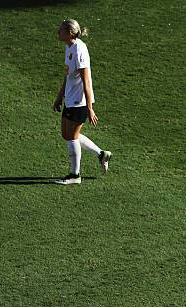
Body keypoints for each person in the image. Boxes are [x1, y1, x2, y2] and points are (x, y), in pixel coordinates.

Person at [53, 19, 112, 185]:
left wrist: (90, 108)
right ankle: (101, 154)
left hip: (80, 101)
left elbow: (86, 81)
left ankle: (74, 175)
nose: (58, 32)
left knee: (71, 137)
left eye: (61, 30)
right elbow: (67, 75)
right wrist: (60, 96)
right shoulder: (69, 47)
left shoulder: (79, 50)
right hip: (71, 98)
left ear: (70, 33)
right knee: (67, 135)